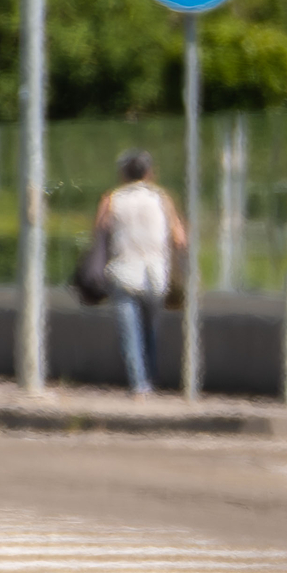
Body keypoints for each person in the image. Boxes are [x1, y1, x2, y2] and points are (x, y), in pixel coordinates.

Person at [93, 149, 186, 394]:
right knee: (150, 330)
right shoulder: (161, 198)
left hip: (123, 272)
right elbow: (179, 238)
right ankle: (151, 379)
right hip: (156, 274)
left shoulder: (111, 199)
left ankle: (139, 385)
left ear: (123, 174)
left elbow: (100, 231)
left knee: (130, 333)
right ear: (149, 172)